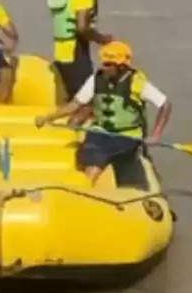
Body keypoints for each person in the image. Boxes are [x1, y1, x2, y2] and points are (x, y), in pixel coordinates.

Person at [35, 41, 171, 186]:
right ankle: (84, 189)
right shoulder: (95, 79)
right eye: (103, 63)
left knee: (105, 161)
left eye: (108, 65)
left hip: (127, 135)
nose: (103, 67)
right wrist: (48, 117)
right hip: (100, 132)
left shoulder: (137, 83)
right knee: (91, 156)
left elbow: (165, 104)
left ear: (121, 67)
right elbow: (75, 104)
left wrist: (156, 135)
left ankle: (91, 188)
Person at [47, 0, 111, 100]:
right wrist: (102, 39)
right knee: (84, 95)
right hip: (75, 51)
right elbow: (82, 27)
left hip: (59, 51)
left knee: (67, 94)